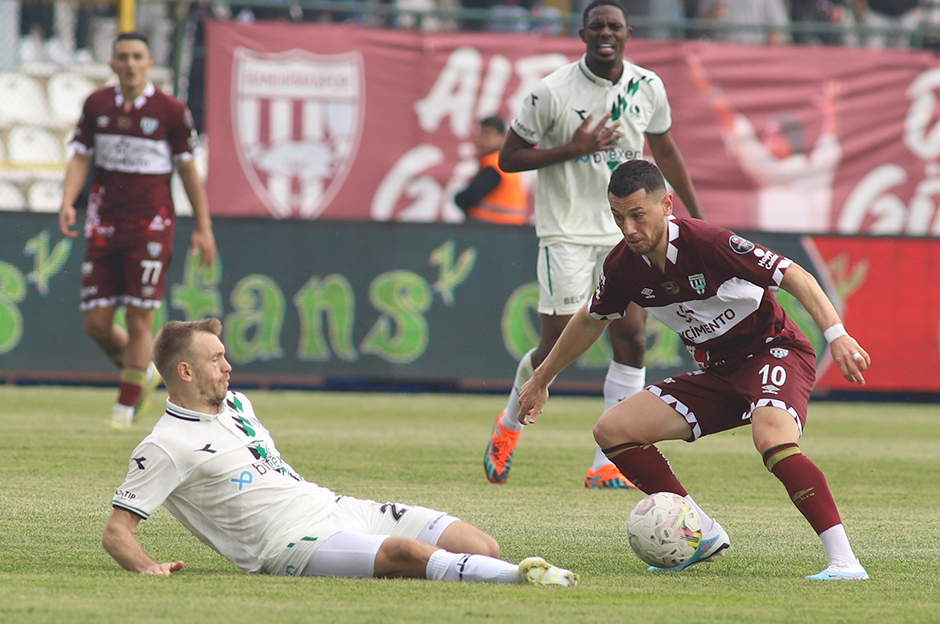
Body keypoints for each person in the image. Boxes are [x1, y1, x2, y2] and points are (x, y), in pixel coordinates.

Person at [518, 159, 870, 580]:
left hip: (772, 351)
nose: (628, 229)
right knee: (612, 430)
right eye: (617, 217)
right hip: (718, 373)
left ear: (666, 204)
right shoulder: (622, 267)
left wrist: (838, 335)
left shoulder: (709, 242)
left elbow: (795, 275)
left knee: (771, 438)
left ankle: (845, 562)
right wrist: (541, 379)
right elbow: (591, 320)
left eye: (637, 215)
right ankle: (700, 532)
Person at [101, 318, 578, 586]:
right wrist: (148, 567)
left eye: (225, 354)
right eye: (216, 359)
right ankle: (525, 578)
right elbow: (117, 532)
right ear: (184, 372)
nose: (229, 365)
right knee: (406, 551)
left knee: (480, 545)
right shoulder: (164, 444)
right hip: (289, 544)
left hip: (335, 507)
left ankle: (444, 570)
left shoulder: (238, 403)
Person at [484, 0, 705, 489]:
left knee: (631, 337)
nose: (606, 32)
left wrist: (695, 208)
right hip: (564, 231)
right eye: (597, 26)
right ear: (582, 34)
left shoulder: (649, 86)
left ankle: (608, 462)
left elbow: (664, 147)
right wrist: (575, 149)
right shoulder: (552, 92)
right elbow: (509, 157)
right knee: (558, 344)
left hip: (624, 232)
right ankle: (508, 426)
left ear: (628, 34)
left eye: (615, 26)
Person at [58, 32, 217, 430]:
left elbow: (188, 172)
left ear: (149, 64)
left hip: (151, 225)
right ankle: (144, 371)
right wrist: (66, 200)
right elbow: (80, 156)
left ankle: (124, 409)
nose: (130, 63)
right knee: (96, 323)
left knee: (139, 319)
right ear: (112, 64)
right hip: (103, 224)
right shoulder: (97, 105)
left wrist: (203, 226)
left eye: (137, 57)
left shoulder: (170, 111)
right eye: (123, 56)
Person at [687, 53, 842, 233]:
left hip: (810, 248)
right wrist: (706, 86)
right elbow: (732, 123)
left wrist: (831, 111)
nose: (767, 139)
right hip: (772, 250)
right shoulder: (766, 170)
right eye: (766, 135)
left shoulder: (810, 172)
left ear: (789, 139)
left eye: (773, 135)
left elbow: (829, 144)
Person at [454, 116, 527, 225]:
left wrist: (458, 199)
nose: (482, 139)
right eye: (481, 134)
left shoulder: (495, 165)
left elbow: (468, 198)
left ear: (502, 138)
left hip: (493, 225)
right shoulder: (504, 160)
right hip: (509, 226)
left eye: (488, 135)